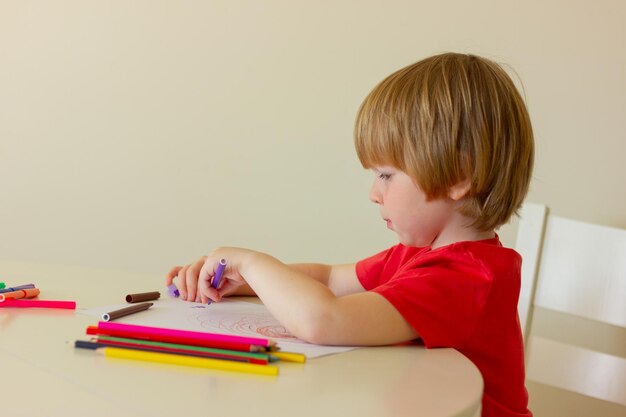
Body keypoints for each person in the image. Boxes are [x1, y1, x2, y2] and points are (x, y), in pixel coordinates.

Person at [166, 52, 533, 417]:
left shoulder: (464, 279)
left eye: (385, 175)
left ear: (458, 178)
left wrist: (251, 261)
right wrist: (240, 279)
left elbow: (324, 318)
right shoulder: (422, 256)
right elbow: (328, 279)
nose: (373, 193)